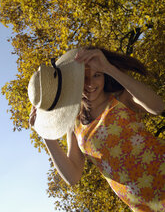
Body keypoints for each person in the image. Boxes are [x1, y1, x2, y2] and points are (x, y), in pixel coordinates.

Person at [29, 47, 165, 212]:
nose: (91, 84)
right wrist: (45, 134)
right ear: (74, 83)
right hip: (146, 206)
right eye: (84, 78)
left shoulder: (119, 97)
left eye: (97, 75)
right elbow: (72, 177)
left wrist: (108, 68)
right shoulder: (75, 125)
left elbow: (158, 107)